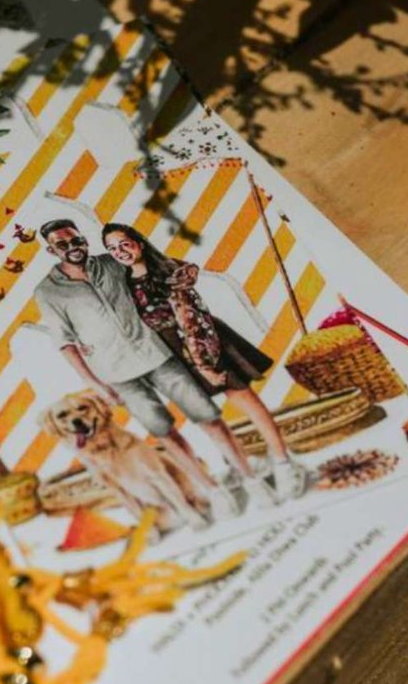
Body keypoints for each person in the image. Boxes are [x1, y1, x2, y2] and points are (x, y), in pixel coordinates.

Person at [33, 218, 265, 515]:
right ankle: (212, 490)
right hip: (116, 374)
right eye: (62, 244)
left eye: (76, 240)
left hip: (159, 355)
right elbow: (65, 342)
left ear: (84, 240)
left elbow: (156, 268)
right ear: (51, 250)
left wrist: (187, 274)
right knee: (164, 432)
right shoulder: (48, 291)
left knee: (207, 417)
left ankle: (251, 479)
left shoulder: (113, 263)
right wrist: (94, 384)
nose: (72, 248)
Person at [100, 222, 305, 500]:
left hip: (204, 342)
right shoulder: (124, 282)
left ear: (139, 242)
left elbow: (191, 321)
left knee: (244, 399)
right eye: (112, 249)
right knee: (208, 415)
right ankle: (240, 465)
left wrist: (205, 365)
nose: (120, 252)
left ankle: (283, 461)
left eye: (124, 244)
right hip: (171, 354)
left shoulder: (169, 272)